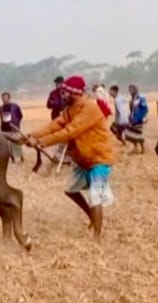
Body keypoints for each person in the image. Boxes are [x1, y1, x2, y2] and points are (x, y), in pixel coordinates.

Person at [25, 75, 114, 240]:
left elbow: (70, 131)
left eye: (65, 92)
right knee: (71, 190)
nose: (62, 95)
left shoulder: (89, 108)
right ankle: (92, 217)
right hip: (82, 159)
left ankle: (97, 237)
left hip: (98, 158)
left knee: (95, 197)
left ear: (75, 93)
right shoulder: (70, 109)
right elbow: (55, 125)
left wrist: (41, 142)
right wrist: (32, 135)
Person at [123, 85, 149, 154]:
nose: (130, 91)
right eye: (129, 89)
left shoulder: (141, 98)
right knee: (130, 134)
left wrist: (143, 117)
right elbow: (132, 110)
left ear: (135, 89)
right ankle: (136, 147)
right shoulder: (132, 99)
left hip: (139, 119)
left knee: (138, 134)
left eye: (132, 89)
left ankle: (142, 148)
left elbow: (145, 109)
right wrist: (130, 116)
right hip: (133, 119)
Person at [0, 92, 24, 163]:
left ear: (9, 98)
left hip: (14, 127)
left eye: (6, 98)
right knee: (8, 145)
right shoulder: (1, 108)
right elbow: (1, 117)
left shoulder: (15, 106)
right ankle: (12, 159)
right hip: (5, 128)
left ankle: (21, 158)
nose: (4, 100)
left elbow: (20, 116)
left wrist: (16, 122)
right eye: (3, 98)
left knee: (17, 143)